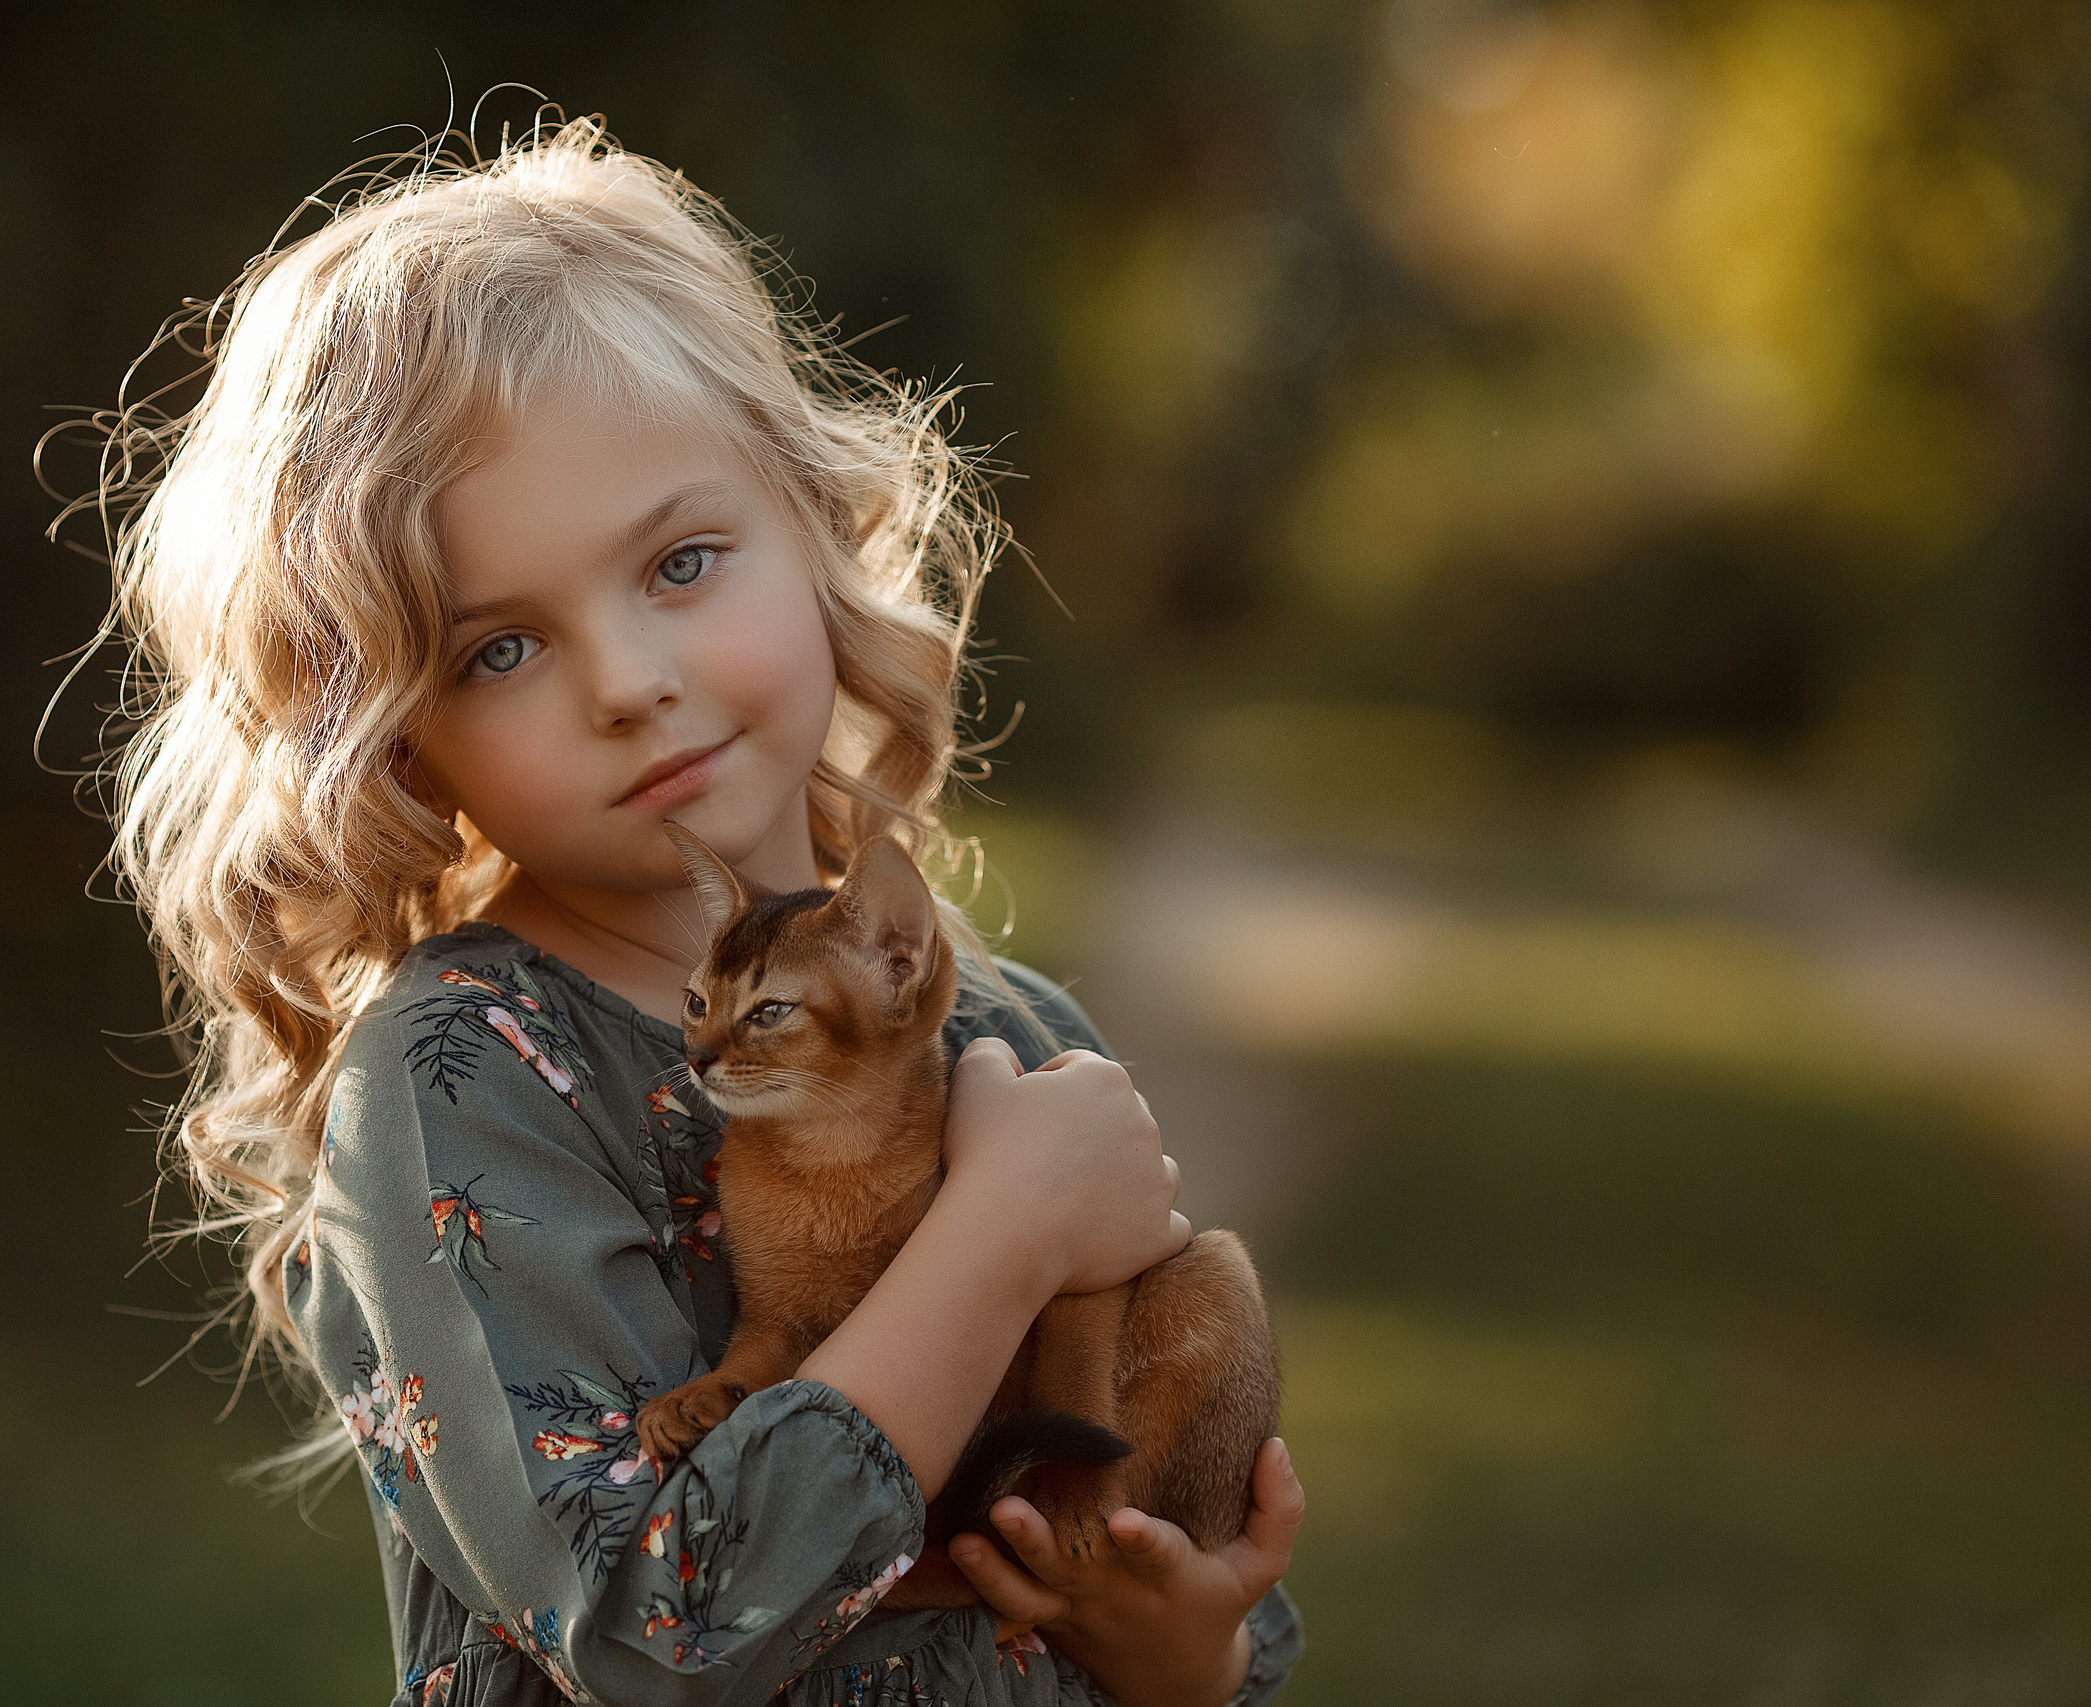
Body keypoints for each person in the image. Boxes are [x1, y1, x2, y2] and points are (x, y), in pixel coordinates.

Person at [86, 115, 1304, 1706]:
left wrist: (1190, 1656)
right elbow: (646, 1634)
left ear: (812, 524)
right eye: (496, 650)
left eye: (680, 564)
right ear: (391, 737)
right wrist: (997, 1237)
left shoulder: (1008, 1043)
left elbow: (1213, 1570)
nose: (630, 685)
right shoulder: (463, 1081)